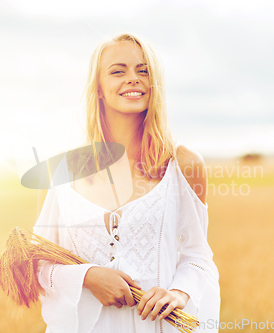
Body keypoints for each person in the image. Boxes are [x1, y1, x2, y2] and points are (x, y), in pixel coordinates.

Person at [33, 32, 220, 333]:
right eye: (118, 71)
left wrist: (178, 292)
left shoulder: (183, 164)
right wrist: (88, 277)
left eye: (143, 71)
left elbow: (198, 256)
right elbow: (38, 264)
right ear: (99, 89)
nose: (133, 79)